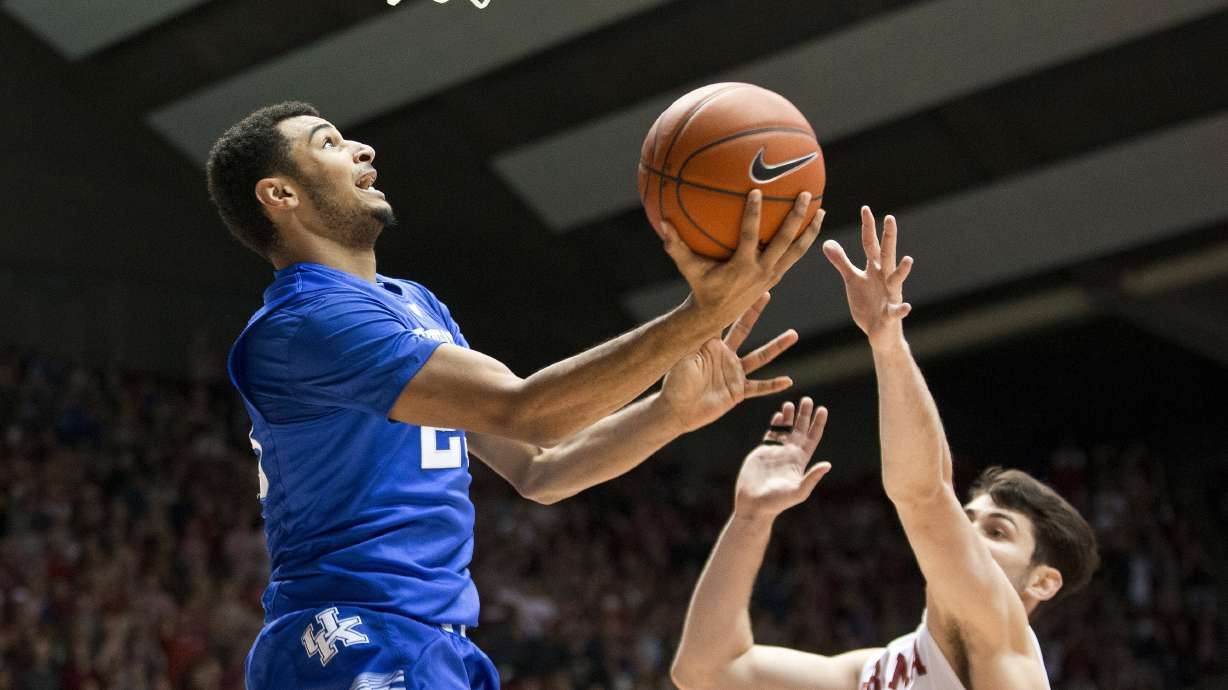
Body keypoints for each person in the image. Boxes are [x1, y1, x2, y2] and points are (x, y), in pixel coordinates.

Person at [203, 101, 822, 690]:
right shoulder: (306, 323)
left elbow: (541, 468)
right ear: (279, 194)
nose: (362, 149)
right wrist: (697, 316)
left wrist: (668, 413)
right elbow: (526, 411)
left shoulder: (415, 305)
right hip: (347, 637)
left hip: (436, 641)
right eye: (329, 144)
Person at [670, 208, 1100, 689]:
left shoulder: (1004, 640)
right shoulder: (882, 670)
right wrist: (750, 518)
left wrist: (887, 342)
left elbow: (925, 495)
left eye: (997, 532)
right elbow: (706, 670)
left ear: (1041, 581)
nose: (965, 532)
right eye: (969, 516)